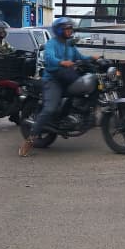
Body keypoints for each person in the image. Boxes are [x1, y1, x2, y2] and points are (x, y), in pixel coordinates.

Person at [19, 16, 94, 156]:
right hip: (53, 80)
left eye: (70, 28)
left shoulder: (69, 45)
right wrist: (61, 62)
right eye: (66, 28)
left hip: (67, 78)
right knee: (49, 109)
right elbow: (49, 58)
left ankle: (71, 117)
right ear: (59, 30)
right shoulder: (52, 44)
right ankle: (29, 140)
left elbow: (80, 57)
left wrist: (93, 59)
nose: (69, 30)